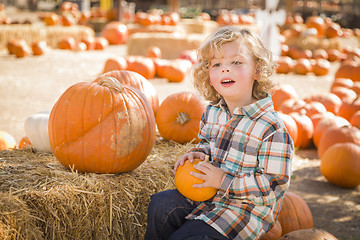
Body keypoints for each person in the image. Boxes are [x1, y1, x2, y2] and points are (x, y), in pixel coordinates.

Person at [145, 26, 294, 240]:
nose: (225, 69)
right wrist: (199, 153)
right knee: (161, 205)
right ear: (209, 75)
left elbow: (272, 187)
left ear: (257, 70)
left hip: (242, 213)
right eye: (217, 64)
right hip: (208, 197)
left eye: (236, 62)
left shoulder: (270, 128)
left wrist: (223, 181)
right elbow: (208, 144)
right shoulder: (213, 112)